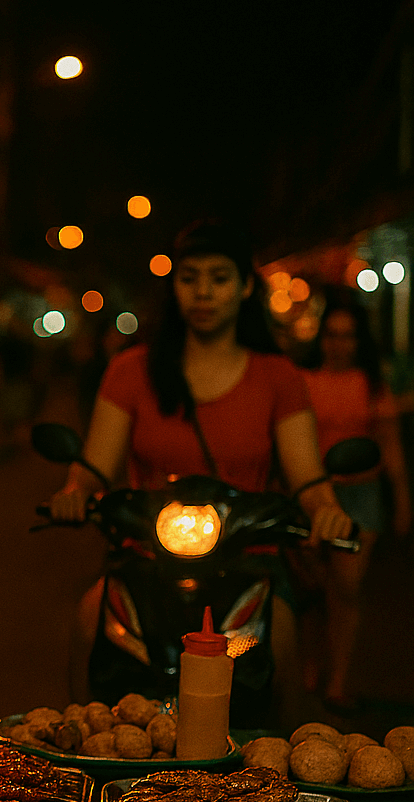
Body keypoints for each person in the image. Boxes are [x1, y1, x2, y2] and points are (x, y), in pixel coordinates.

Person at [47, 220, 354, 706]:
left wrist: (326, 509)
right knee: (89, 620)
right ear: (174, 286)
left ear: (246, 286)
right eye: (189, 278)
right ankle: (79, 759)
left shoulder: (279, 378)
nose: (203, 292)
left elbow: (307, 478)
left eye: (219, 277)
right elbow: (93, 467)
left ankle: (283, 765)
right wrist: (73, 493)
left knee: (284, 637)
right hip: (147, 559)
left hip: (249, 563)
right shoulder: (132, 370)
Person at [298, 294, 411, 712]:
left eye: (347, 336)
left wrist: (401, 502)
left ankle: (338, 679)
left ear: (358, 340)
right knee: (311, 586)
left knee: (347, 588)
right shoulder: (304, 381)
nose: (338, 344)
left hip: (361, 496)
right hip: (314, 493)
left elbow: (390, 446)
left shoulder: (371, 383)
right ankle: (311, 662)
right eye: (332, 335)